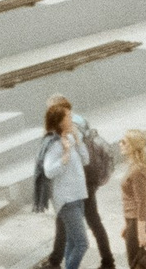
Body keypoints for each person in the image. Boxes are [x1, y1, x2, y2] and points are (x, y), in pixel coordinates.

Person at [29, 95, 115, 269]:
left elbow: (82, 159)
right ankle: (104, 260)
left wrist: (71, 148)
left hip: (79, 187)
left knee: (80, 234)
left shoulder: (70, 130)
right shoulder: (74, 126)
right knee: (76, 229)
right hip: (76, 189)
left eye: (51, 109)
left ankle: (58, 261)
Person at [36, 102, 89, 269]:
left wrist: (78, 141)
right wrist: (65, 155)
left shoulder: (71, 138)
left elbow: (86, 160)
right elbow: (49, 171)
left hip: (78, 195)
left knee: (72, 242)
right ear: (59, 122)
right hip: (66, 199)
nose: (72, 118)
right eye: (68, 117)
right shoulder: (53, 144)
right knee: (82, 244)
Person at [117, 127, 146, 269]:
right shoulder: (133, 166)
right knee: (138, 262)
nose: (120, 144)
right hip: (133, 221)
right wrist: (127, 224)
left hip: (138, 221)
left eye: (124, 142)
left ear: (133, 146)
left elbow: (142, 202)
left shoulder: (138, 171)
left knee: (135, 263)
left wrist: (140, 232)